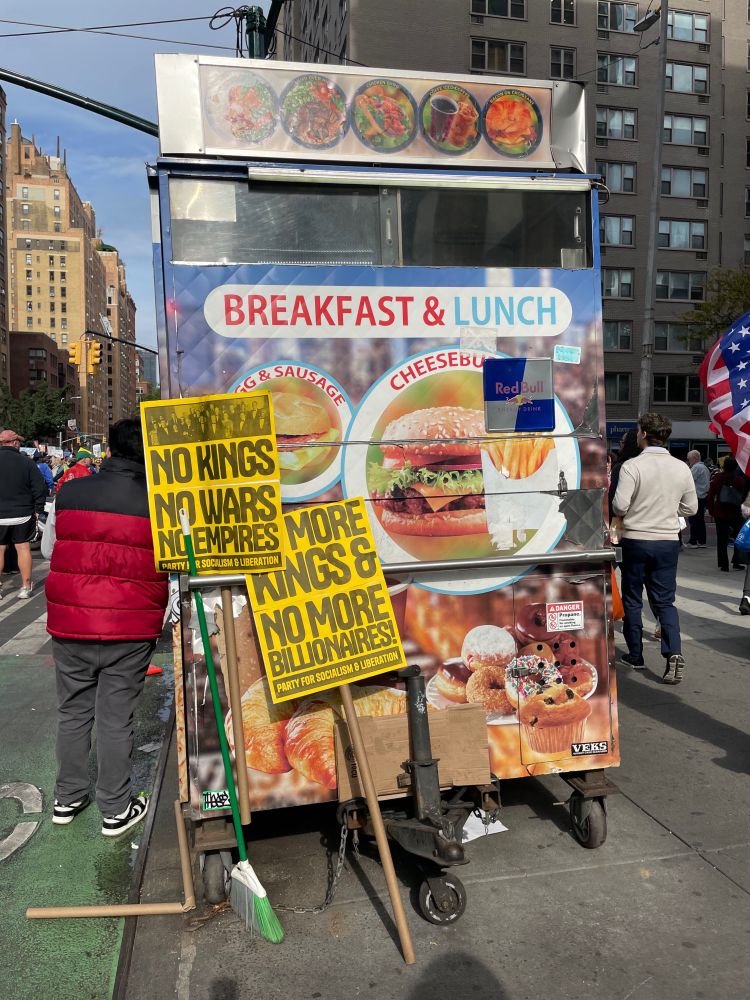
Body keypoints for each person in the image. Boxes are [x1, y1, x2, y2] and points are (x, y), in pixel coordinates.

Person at [43, 419, 168, 836]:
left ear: (110, 449)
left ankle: (67, 797)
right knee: (116, 718)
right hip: (130, 627)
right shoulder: (158, 502)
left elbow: (49, 548)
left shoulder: (70, 491)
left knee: (73, 712)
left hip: (71, 622)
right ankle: (115, 808)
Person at [612, 412, 698, 684]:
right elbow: (691, 508)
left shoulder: (632, 467)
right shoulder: (682, 467)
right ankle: (673, 651)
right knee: (665, 600)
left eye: (638, 431)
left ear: (645, 434)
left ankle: (635, 655)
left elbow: (620, 506)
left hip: (636, 539)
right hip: (667, 542)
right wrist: (671, 511)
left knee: (633, 598)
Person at [0, 428, 47, 599]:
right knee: (23, 547)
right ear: (15, 443)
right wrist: (38, 509)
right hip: (23, 513)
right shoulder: (26, 463)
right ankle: (25, 586)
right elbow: (39, 487)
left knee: (0, 549)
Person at [706, 457, 747, 572]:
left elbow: (710, 495)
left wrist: (711, 510)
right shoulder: (739, 480)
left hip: (720, 512)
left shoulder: (718, 478)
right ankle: (737, 561)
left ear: (724, 466)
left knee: (722, 539)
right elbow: (743, 496)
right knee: (738, 538)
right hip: (735, 513)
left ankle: (724, 564)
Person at [685, 450, 710, 547]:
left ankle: (693, 541)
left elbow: (688, 480)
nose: (688, 461)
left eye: (689, 459)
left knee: (693, 519)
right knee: (700, 520)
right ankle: (702, 541)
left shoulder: (696, 467)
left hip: (696, 497)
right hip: (703, 496)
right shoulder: (705, 467)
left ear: (694, 458)